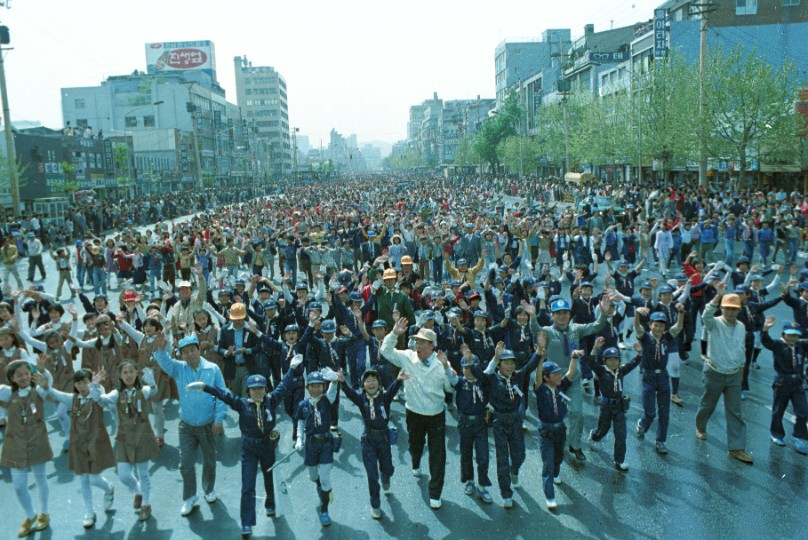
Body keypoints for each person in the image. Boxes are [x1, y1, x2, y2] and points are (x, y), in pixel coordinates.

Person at [189, 356, 304, 537]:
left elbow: (284, 385)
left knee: (269, 478)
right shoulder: (242, 404)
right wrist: (205, 387)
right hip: (249, 448)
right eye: (254, 389)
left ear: (265, 389)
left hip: (267, 446)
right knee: (247, 485)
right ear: (248, 391)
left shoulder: (271, 400)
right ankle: (247, 522)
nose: (258, 392)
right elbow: (224, 395)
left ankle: (271, 504)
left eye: (261, 389)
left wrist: (291, 368)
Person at [531, 295, 613, 462]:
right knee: (555, 417)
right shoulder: (547, 331)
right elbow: (535, 329)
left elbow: (596, 326)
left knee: (577, 413)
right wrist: (532, 316)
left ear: (569, 314)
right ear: (552, 315)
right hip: (553, 382)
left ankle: (575, 445)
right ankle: (554, 446)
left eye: (565, 313)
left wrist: (603, 314)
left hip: (573, 379)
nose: (562, 316)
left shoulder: (576, 329)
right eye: (558, 313)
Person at [153, 333, 227, 516]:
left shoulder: (213, 369)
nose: (189, 354)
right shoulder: (179, 368)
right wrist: (161, 349)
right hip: (186, 426)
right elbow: (164, 362)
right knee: (185, 464)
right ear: (181, 355)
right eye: (184, 352)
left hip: (208, 425)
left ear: (199, 350)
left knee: (209, 461)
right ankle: (190, 497)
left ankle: (209, 489)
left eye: (192, 350)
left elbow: (222, 395)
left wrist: (219, 419)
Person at [381, 319, 452, 510]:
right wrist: (394, 334)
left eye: (421, 342)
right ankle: (416, 462)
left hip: (436, 414)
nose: (417, 345)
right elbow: (385, 351)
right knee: (415, 445)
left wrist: (446, 368)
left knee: (438, 454)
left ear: (431, 346)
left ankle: (435, 493)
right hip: (413, 413)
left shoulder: (441, 363)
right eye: (416, 341)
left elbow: (450, 386)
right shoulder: (407, 357)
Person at [471, 344, 540, 508]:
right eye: (505, 363)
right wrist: (495, 357)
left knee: (519, 454)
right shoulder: (491, 379)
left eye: (512, 363)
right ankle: (506, 493)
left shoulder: (518, 376)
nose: (510, 366)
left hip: (516, 421)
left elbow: (530, 366)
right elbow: (478, 374)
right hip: (499, 422)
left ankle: (514, 470)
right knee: (501, 458)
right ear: (499, 365)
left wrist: (538, 352)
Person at [45, 369, 116, 529]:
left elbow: (98, 396)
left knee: (93, 478)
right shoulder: (72, 399)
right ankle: (90, 512)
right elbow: (57, 394)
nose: (82, 386)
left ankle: (109, 488)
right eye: (79, 383)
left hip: (96, 442)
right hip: (79, 444)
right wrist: (46, 386)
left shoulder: (97, 393)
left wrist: (95, 384)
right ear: (75, 385)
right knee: (83, 479)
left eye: (85, 382)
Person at [695, 285, 754, 464]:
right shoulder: (714, 323)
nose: (730, 312)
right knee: (708, 404)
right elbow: (706, 315)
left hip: (735, 374)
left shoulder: (741, 327)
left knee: (735, 411)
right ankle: (700, 426)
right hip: (714, 372)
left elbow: (741, 350)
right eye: (727, 308)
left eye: (734, 309)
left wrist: (742, 373)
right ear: (722, 308)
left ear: (739, 310)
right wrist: (717, 296)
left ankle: (736, 448)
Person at [340, 368, 408, 519]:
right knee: (372, 475)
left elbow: (393, 388)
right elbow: (350, 393)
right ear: (363, 385)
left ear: (379, 384)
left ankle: (386, 476)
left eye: (374, 380)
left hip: (383, 440)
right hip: (368, 440)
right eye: (368, 381)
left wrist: (399, 379)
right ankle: (375, 505)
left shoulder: (384, 398)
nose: (371, 383)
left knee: (388, 468)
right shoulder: (361, 399)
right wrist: (343, 382)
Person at [100, 361, 160, 521]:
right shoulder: (116, 393)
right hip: (124, 438)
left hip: (142, 436)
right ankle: (138, 491)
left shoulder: (143, 391)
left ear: (136, 373)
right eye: (125, 372)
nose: (128, 375)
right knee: (123, 475)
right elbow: (102, 400)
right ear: (120, 375)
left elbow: (154, 391)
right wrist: (94, 386)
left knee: (143, 473)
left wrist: (151, 380)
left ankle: (146, 504)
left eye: (131, 371)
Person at [1, 360, 53, 537]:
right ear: (12, 378)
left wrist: (44, 373)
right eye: (19, 375)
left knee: (40, 480)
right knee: (19, 486)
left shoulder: (37, 390)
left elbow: (48, 386)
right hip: (15, 445)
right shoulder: (7, 393)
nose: (23, 377)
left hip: (37, 442)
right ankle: (30, 516)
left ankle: (44, 513)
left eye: (26, 373)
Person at [633, 305, 685, 455]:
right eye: (655, 325)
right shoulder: (645, 337)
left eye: (661, 325)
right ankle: (642, 424)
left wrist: (680, 312)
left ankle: (660, 440)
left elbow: (679, 326)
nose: (658, 328)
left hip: (663, 376)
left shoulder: (666, 338)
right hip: (648, 377)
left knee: (664, 412)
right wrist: (637, 313)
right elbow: (637, 327)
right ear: (650, 325)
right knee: (650, 412)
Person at [294, 369, 341, 527]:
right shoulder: (303, 405)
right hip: (311, 444)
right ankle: (323, 489)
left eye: (319, 386)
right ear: (307, 388)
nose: (316, 389)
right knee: (314, 477)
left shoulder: (327, 400)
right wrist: (299, 439)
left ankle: (324, 509)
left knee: (325, 477)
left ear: (323, 386)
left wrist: (334, 380)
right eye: (313, 386)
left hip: (326, 443)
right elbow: (300, 423)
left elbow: (333, 390)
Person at [533, 353, 580, 510]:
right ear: (546, 377)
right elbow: (537, 377)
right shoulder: (540, 389)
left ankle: (556, 473)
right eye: (555, 374)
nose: (560, 376)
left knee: (559, 456)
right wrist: (540, 359)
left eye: (559, 373)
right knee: (548, 463)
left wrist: (574, 358)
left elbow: (571, 373)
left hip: (560, 429)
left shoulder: (561, 387)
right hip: (546, 430)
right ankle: (550, 496)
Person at [586, 339, 641, 470]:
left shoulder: (620, 371)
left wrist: (639, 353)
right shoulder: (601, 371)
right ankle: (594, 435)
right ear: (604, 361)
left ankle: (619, 460)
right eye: (609, 360)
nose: (613, 362)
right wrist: (594, 348)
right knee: (602, 431)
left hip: (619, 407)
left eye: (615, 360)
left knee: (621, 434)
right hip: (606, 407)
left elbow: (633, 363)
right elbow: (591, 362)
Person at [448, 348, 493, 504]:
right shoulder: (460, 382)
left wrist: (497, 356)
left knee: (483, 456)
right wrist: (445, 365)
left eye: (470, 367)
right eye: (465, 367)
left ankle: (482, 485)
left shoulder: (483, 381)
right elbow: (450, 376)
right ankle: (469, 481)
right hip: (465, 422)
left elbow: (491, 368)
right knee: (466, 454)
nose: (467, 370)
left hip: (480, 422)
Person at [760, 317, 808, 455]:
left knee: (803, 411)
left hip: (797, 383)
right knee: (778, 410)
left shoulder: (801, 345)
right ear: (783, 335)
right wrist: (765, 330)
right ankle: (776, 434)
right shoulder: (778, 345)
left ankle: (797, 436)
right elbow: (766, 341)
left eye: (795, 335)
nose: (792, 337)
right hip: (782, 382)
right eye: (790, 334)